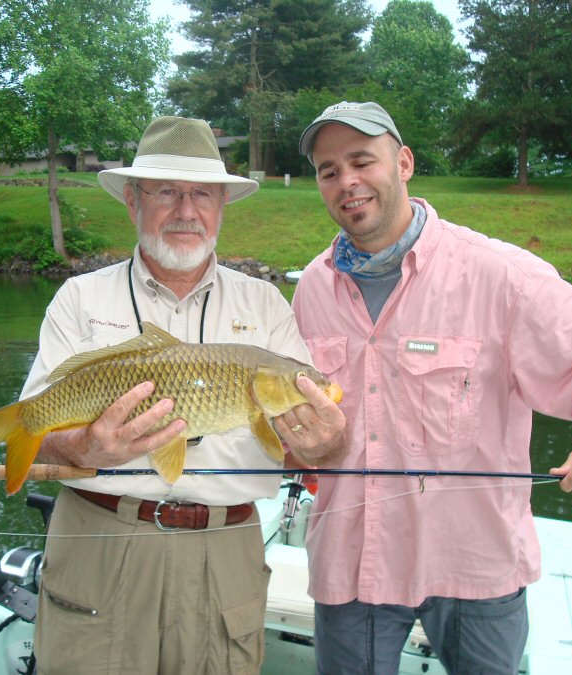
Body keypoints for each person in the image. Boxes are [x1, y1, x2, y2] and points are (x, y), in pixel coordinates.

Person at [292, 101, 572, 675]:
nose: (348, 182)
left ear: (404, 162)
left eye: (362, 161)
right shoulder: (312, 287)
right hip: (352, 570)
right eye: (328, 170)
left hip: (476, 571)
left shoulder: (500, 275)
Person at [19, 116, 346, 675]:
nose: (186, 210)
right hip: (98, 540)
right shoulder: (78, 299)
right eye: (166, 192)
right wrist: (84, 449)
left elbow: (308, 453)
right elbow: (38, 449)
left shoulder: (266, 306)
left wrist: (327, 444)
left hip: (226, 553)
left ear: (222, 205)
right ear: (132, 201)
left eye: (202, 194)